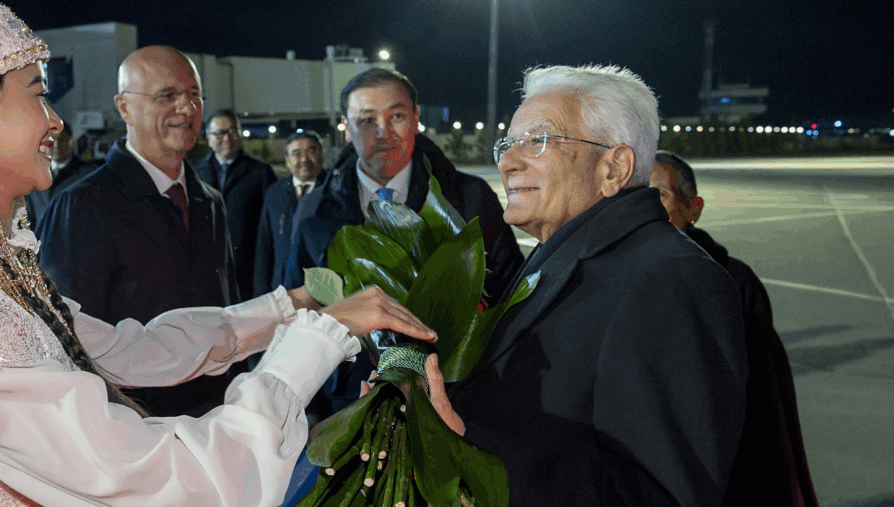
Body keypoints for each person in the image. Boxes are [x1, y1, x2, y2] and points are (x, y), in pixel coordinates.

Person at [0, 0, 449, 505]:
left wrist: (293, 309)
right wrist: (314, 345)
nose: (55, 122)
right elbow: (180, 479)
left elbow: (135, 349)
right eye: (36, 94)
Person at [448, 65, 748, 506]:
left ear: (614, 168)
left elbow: (662, 494)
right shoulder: (562, 252)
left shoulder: (670, 280)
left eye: (538, 140)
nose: (509, 161)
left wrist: (469, 441)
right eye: (508, 144)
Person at [285, 67, 524, 413]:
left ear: (415, 117)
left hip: (455, 396)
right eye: (366, 120)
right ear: (345, 126)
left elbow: (510, 300)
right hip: (350, 401)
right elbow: (300, 313)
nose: (383, 133)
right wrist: (311, 413)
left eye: (396, 115)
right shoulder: (314, 211)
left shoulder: (469, 199)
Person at [37, 45, 243, 417]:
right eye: (168, 96)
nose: (187, 109)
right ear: (124, 108)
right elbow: (66, 344)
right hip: (134, 431)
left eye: (194, 95)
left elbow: (227, 312)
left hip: (217, 420)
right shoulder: (84, 206)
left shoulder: (209, 200)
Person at [652, 150, 819, 507]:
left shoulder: (731, 282)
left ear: (693, 208)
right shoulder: (623, 275)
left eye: (659, 196)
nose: (643, 208)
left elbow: (758, 404)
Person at [194, 109, 277, 299]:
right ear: (208, 137)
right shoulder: (195, 174)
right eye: (220, 132)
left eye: (233, 130)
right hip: (207, 268)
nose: (227, 137)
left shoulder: (260, 172)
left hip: (247, 268)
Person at [254, 131, 325, 297]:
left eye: (311, 152)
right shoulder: (275, 193)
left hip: (321, 292)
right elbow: (264, 245)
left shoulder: (333, 191)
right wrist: (261, 294)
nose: (304, 159)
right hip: (281, 288)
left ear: (321, 155)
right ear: (287, 160)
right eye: (296, 154)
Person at [24, 121, 96, 227]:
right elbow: (28, 218)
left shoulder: (89, 174)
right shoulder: (34, 176)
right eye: (52, 140)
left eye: (62, 139)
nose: (56, 144)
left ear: (70, 140)